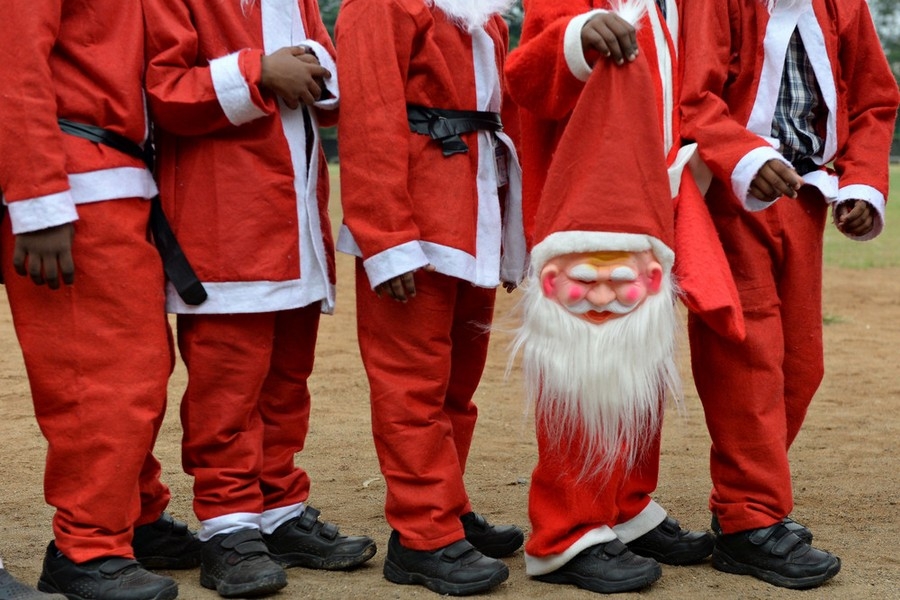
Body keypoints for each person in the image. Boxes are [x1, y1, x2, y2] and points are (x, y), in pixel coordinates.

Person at [142, 0, 378, 597]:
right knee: (227, 392)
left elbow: (331, 83)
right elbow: (162, 90)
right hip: (224, 223)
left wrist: (313, 67)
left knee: (286, 382)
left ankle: (278, 511)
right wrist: (259, 71)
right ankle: (229, 528)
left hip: (296, 224)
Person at [505, 0, 736, 594]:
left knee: (639, 367)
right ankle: (566, 532)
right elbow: (526, 78)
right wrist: (577, 35)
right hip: (589, 208)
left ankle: (625, 505)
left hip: (655, 203)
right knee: (586, 371)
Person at [679, 0, 900, 590]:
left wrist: (862, 184)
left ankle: (747, 500)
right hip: (732, 197)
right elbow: (693, 96)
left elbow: (875, 99)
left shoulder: (843, 5)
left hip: (806, 198)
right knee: (746, 356)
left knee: (801, 363)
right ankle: (749, 518)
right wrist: (745, 155)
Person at [0, 2, 203, 599]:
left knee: (139, 366)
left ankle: (132, 516)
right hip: (72, 182)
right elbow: (15, 60)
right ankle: (86, 547)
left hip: (112, 173)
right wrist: (38, 198)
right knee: (99, 377)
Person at [335, 0, 529, 595]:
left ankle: (447, 505)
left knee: (456, 387)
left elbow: (499, 118)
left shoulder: (485, 13)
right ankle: (422, 535)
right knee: (411, 385)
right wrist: (386, 239)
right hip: (414, 223)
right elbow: (369, 117)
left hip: (473, 215)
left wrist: (510, 231)